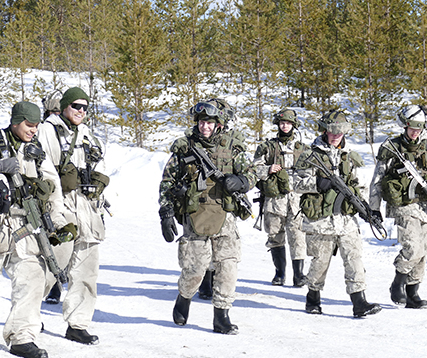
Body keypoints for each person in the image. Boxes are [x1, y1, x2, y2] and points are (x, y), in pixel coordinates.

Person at [0, 101, 72, 358]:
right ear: (16, 122)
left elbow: (53, 187)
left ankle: (22, 337)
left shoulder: (36, 149)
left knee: (32, 279)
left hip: (26, 227)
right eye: (29, 125)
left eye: (37, 126)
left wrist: (58, 219)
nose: (34, 130)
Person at [158, 98, 257, 334]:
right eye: (201, 122)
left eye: (210, 123)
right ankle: (184, 296)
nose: (204, 127)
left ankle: (221, 315)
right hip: (196, 215)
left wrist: (243, 181)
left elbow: (252, 172)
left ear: (219, 124)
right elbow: (167, 182)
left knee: (228, 267)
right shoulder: (184, 148)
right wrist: (166, 212)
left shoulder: (233, 147)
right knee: (195, 269)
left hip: (226, 215)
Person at [38, 87, 110, 345]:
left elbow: (99, 162)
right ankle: (30, 314)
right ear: (65, 106)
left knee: (87, 272)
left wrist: (100, 179)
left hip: (88, 209)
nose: (81, 111)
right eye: (76, 106)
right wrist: (58, 189)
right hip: (61, 207)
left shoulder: (88, 135)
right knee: (50, 267)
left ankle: (78, 323)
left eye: (85, 107)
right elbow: (42, 168)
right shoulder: (48, 130)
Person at [294, 110, 381, 318]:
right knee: (320, 262)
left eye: (339, 132)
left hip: (345, 219)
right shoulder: (310, 154)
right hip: (320, 219)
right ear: (324, 130)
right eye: (331, 131)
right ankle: (313, 296)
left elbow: (359, 186)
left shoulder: (350, 156)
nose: (335, 136)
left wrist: (368, 209)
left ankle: (359, 302)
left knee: (354, 258)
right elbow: (295, 183)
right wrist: (316, 183)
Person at [369, 104, 427, 309]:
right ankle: (397, 283)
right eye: (412, 128)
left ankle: (413, 292)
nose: (415, 132)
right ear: (405, 126)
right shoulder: (391, 148)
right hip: (404, 205)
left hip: (425, 205)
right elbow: (377, 181)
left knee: (423, 249)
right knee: (412, 248)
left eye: (419, 128)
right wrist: (374, 208)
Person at [253, 109, 308, 287]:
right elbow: (253, 169)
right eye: (282, 123)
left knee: (297, 235)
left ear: (294, 125)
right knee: (275, 235)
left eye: (288, 123)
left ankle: (299, 275)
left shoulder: (302, 148)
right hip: (274, 199)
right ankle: (280, 273)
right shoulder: (267, 147)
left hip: (296, 199)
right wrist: (268, 169)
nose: (285, 126)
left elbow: (311, 172)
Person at [41, 89, 65, 305]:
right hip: (54, 189)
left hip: (62, 190)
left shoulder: (54, 129)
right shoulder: (47, 130)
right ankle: (54, 284)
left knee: (58, 239)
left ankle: (55, 284)